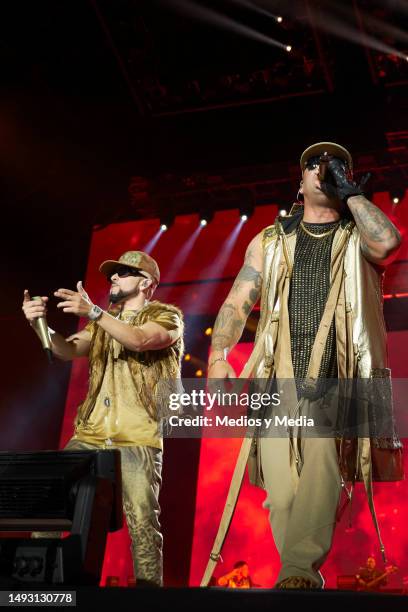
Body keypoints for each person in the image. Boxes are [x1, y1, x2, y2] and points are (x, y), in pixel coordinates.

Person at [208, 142, 402, 589]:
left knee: (322, 467)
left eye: (336, 164)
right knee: (281, 495)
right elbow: (239, 300)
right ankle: (296, 577)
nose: (324, 169)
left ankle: (298, 571)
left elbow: (389, 242)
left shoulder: (359, 234)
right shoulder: (271, 239)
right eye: (314, 164)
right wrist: (219, 354)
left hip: (337, 376)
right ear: (300, 182)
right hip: (278, 381)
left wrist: (350, 192)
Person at [22, 250, 184, 587]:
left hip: (137, 435)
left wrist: (94, 312)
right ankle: (42, 588)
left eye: (123, 272)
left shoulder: (168, 317)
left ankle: (149, 596)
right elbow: (64, 350)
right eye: (113, 273)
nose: (113, 277)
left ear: (146, 282)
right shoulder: (102, 323)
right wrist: (38, 323)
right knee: (49, 502)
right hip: (92, 433)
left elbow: (140, 340)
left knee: (141, 520)